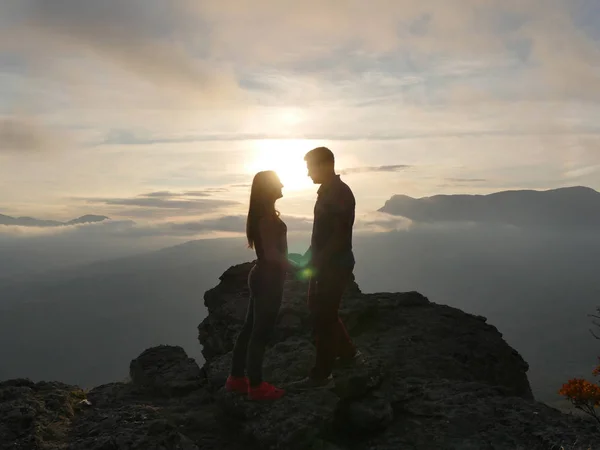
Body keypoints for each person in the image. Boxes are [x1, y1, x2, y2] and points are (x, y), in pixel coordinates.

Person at [288, 147, 364, 391]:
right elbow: (322, 234)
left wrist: (318, 261)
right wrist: (310, 256)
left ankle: (322, 375)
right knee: (321, 310)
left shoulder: (339, 193)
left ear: (324, 165)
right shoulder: (328, 192)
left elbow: (340, 236)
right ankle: (349, 354)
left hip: (334, 266)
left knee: (323, 316)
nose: (308, 173)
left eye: (310, 167)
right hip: (327, 264)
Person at [225, 170, 295, 400]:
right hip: (268, 279)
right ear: (269, 188)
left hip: (262, 276)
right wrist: (299, 269)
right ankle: (256, 386)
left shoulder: (264, 215)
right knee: (260, 333)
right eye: (278, 182)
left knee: (249, 329)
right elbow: (273, 255)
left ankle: (236, 379)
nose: (283, 184)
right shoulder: (266, 218)